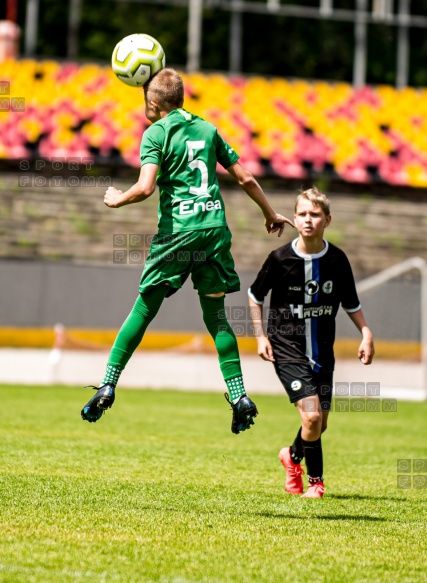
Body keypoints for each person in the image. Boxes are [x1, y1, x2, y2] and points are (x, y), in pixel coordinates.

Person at [81, 68, 294, 433]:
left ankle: (108, 383)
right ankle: (239, 395)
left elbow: (146, 187)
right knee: (217, 318)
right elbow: (246, 177)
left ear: (153, 103)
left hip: (178, 233)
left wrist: (117, 200)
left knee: (145, 308)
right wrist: (269, 212)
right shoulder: (208, 130)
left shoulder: (155, 134)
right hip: (213, 231)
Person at [248, 187, 374, 496]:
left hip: (322, 352)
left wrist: (366, 333)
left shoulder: (337, 260)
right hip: (286, 348)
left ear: (326, 220)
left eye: (314, 215)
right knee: (313, 416)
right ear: (294, 218)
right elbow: (254, 296)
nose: (308, 220)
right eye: (302, 214)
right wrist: (260, 336)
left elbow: (351, 302)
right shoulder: (280, 258)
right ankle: (316, 484)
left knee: (319, 424)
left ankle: (291, 457)